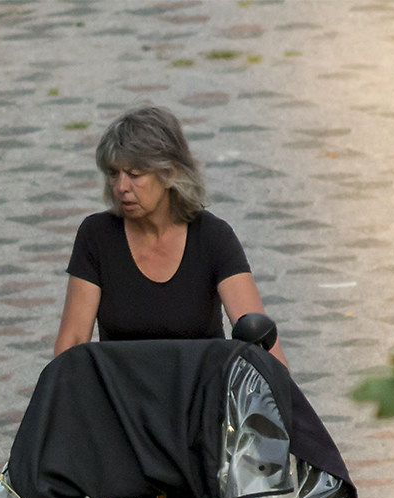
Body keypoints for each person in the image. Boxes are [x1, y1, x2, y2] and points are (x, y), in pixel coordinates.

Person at [55, 105, 276, 356]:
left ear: (170, 173)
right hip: (120, 393)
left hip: (198, 391)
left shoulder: (213, 237)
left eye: (135, 174)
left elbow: (260, 339)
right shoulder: (96, 235)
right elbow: (72, 342)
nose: (121, 187)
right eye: (114, 174)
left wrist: (278, 388)